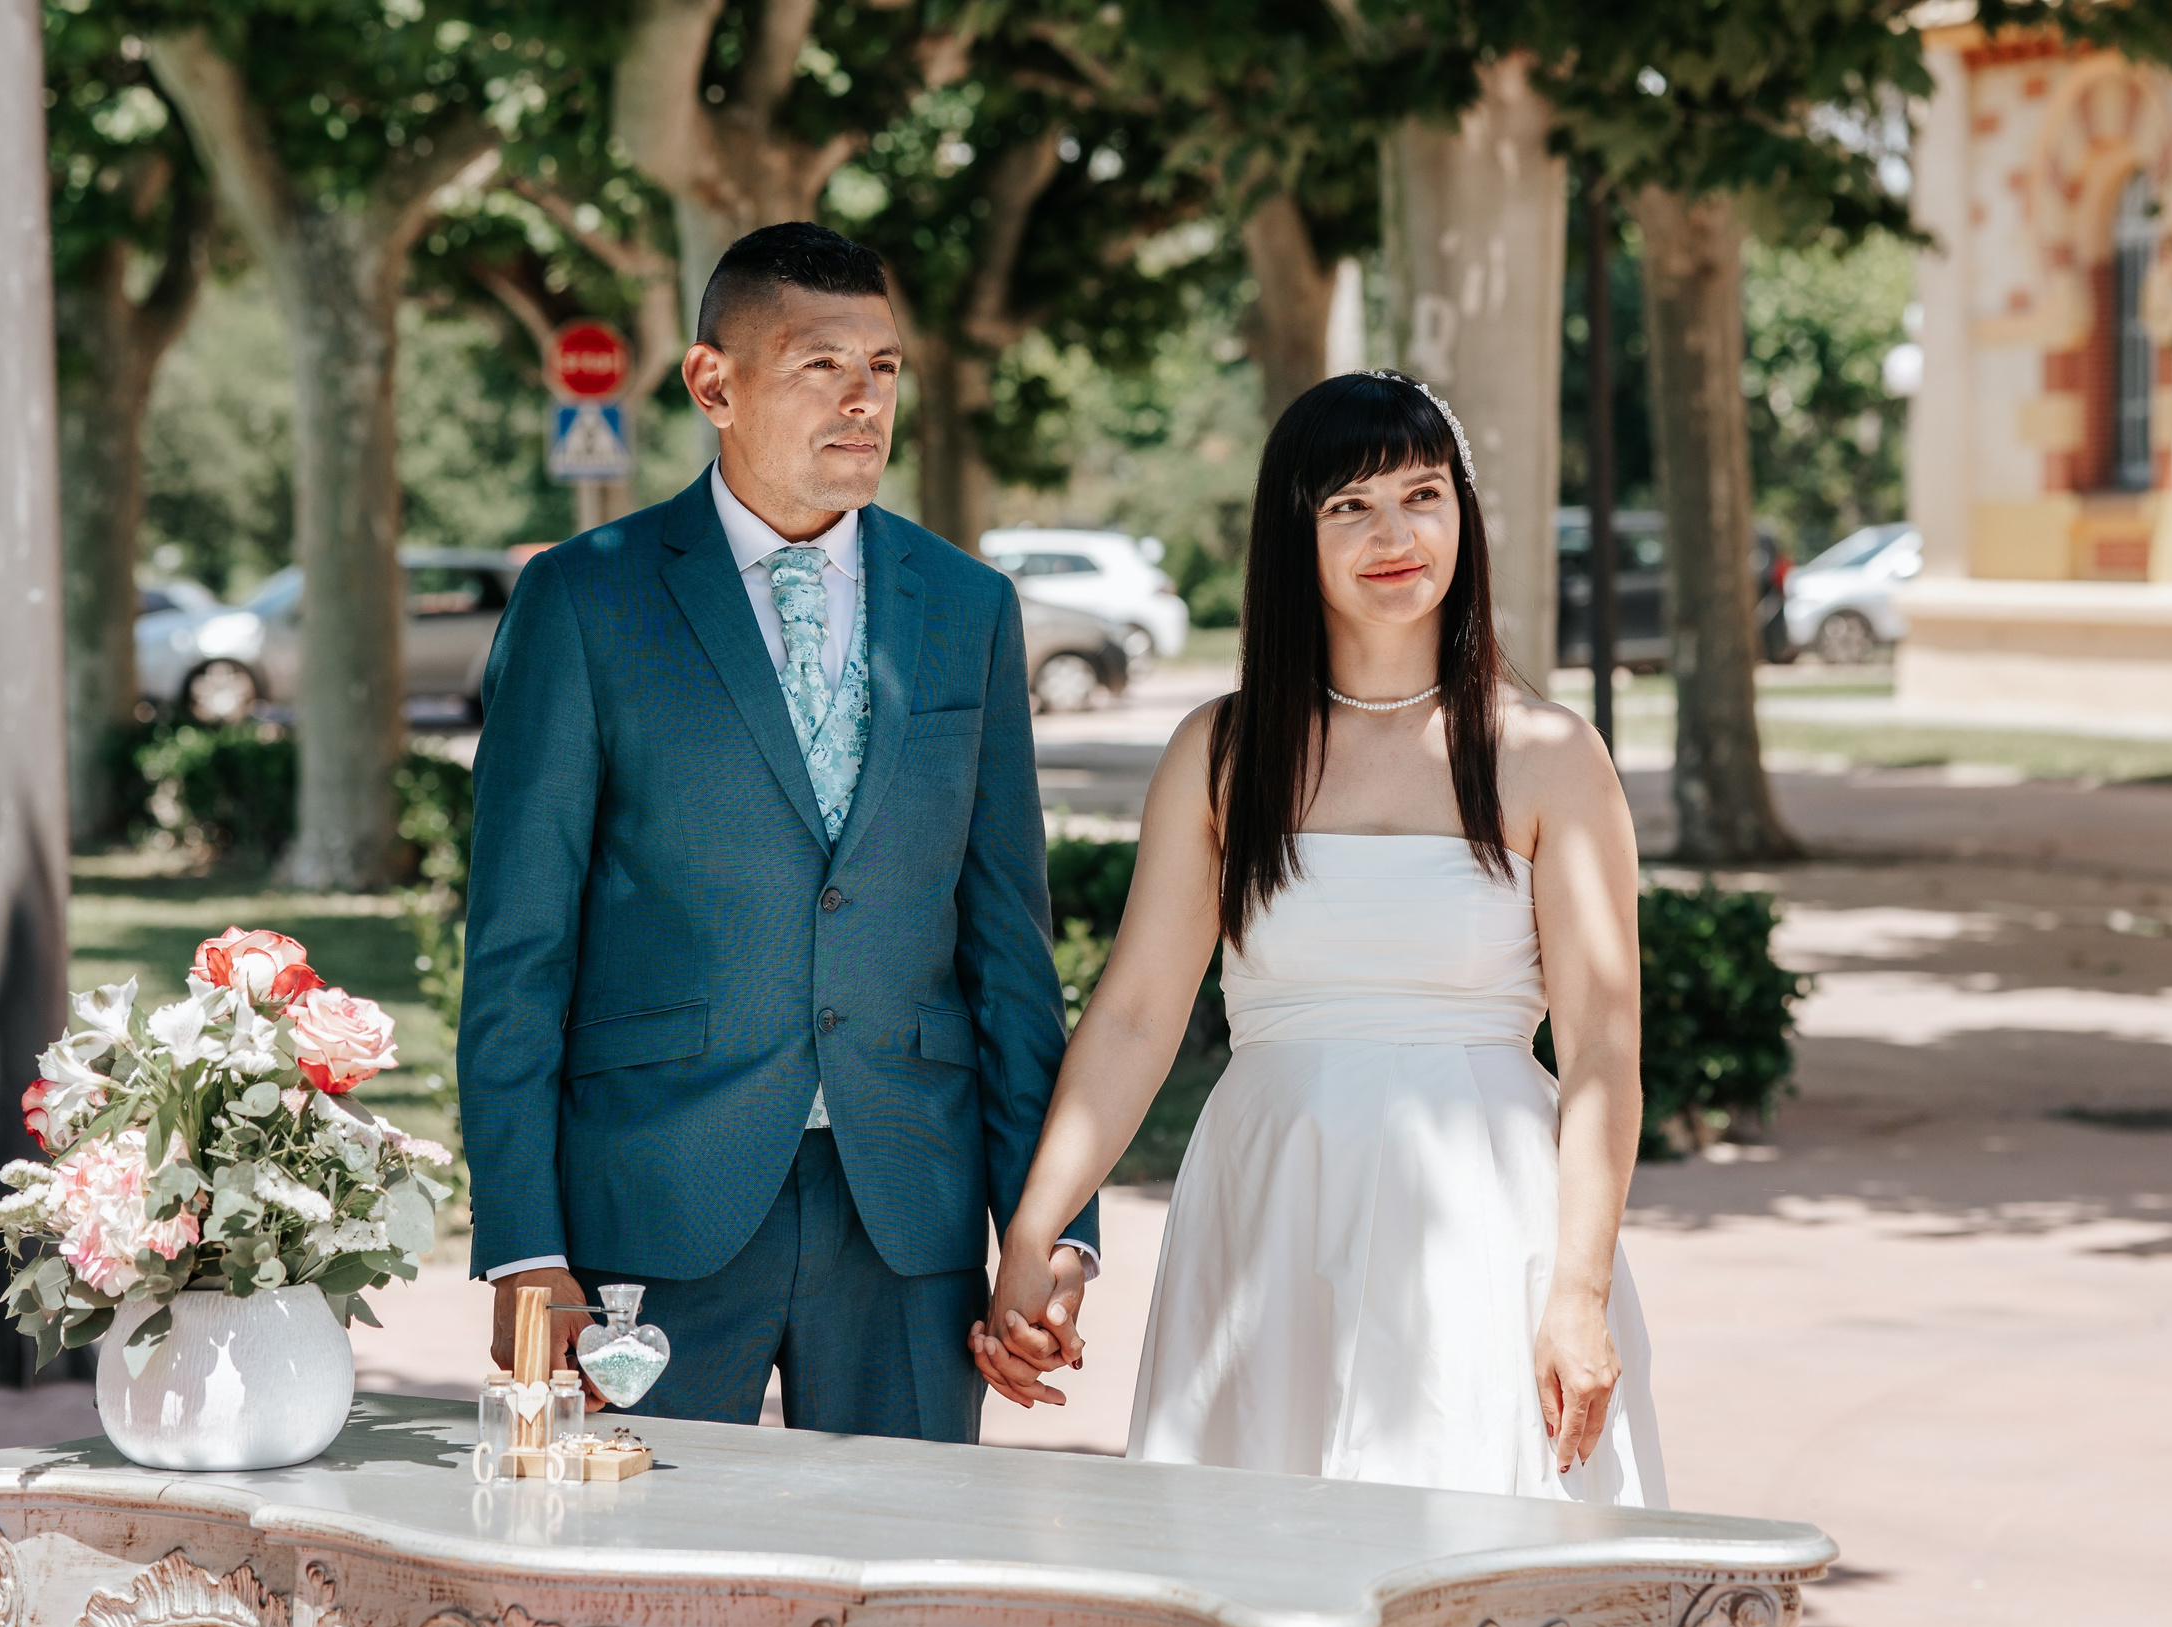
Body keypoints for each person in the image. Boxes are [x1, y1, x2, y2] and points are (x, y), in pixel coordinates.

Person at [973, 372, 1666, 1502]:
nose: (1394, 534)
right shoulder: (1221, 750)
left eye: (1422, 495)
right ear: (1294, 535)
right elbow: (1139, 1013)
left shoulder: (1547, 754)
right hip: (1267, 1199)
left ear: (1463, 517)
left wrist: (1577, 1290)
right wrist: (1034, 1230)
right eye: (1349, 506)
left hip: (1488, 1220)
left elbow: (1600, 1052)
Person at [459, 222, 1098, 1443]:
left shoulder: (968, 607)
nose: (865, 401)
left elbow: (1010, 949)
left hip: (906, 1207)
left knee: (899, 1602)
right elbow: (518, 943)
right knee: (632, 1593)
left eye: (886, 368)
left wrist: (1051, 1224)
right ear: (714, 384)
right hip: (650, 1206)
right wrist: (522, 1248)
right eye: (821, 366)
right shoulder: (588, 596)